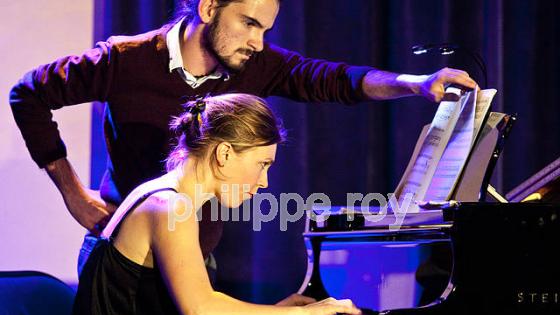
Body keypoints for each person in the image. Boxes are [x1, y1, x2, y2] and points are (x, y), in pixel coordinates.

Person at [9, 0, 477, 256]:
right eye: (249, 23)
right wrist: (71, 190)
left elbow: (335, 79)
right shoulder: (124, 60)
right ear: (209, 7)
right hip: (121, 253)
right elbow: (27, 93)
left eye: (266, 29)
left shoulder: (255, 64)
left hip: (196, 255)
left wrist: (416, 84)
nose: (259, 41)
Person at [55, 93, 361, 315]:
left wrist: (276, 313)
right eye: (262, 163)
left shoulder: (163, 197)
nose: (264, 181)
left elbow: (183, 312)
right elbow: (201, 313)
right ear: (225, 153)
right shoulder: (170, 206)